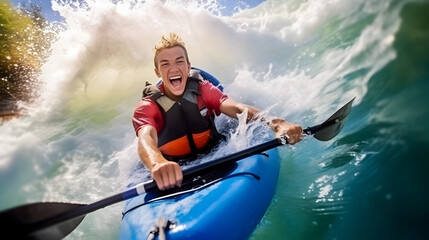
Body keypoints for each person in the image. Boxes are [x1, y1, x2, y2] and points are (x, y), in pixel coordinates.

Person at [133, 33, 303, 191]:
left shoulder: (203, 89)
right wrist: (156, 163)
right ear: (157, 72)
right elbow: (145, 137)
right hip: (173, 168)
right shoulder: (148, 106)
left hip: (213, 153)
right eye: (165, 64)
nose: (174, 68)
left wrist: (276, 122)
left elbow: (235, 107)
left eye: (179, 61)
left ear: (188, 66)